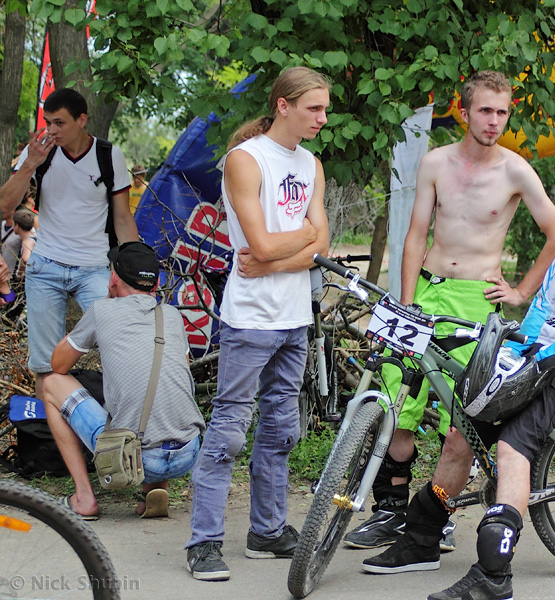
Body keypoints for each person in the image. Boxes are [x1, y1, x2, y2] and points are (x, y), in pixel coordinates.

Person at [362, 130, 555, 600]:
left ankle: (494, 576)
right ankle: (421, 540)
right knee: (463, 429)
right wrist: (519, 344)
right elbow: (545, 306)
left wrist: (539, 360)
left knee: (514, 447)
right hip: (542, 351)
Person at [343, 71, 555, 551]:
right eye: (485, 110)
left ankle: (437, 514)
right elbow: (416, 235)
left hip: (475, 300)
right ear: (464, 112)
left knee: (459, 420)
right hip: (424, 291)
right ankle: (392, 512)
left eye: (502, 112)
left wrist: (522, 290)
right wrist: (405, 300)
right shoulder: (435, 163)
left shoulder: (516, 170)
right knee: (397, 402)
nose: (494, 121)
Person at [185, 66, 331, 582]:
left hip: (295, 317)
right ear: (283, 105)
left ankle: (267, 532)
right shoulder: (245, 160)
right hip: (251, 319)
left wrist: (278, 257)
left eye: (326, 108)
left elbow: (320, 246)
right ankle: (203, 542)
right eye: (314, 107)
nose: (323, 117)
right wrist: (299, 241)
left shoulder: (310, 164)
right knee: (227, 431)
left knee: (281, 430)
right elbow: (270, 242)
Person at [41, 241, 204, 520]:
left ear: (114, 276)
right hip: (188, 452)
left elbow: (58, 364)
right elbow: (181, 379)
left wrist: (105, 304)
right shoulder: (172, 316)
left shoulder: (102, 311)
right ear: (154, 285)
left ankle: (84, 498)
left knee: (51, 384)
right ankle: (152, 492)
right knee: (157, 391)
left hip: (139, 459)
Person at [0, 88, 138, 410]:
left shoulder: (108, 155)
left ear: (82, 120)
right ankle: (50, 445)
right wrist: (30, 164)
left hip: (94, 268)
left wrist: (136, 270)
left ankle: (122, 425)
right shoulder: (41, 152)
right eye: (48, 122)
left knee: (120, 343)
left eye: (59, 123)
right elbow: (5, 207)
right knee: (45, 363)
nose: (51, 131)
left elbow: (122, 217)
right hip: (45, 266)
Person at [13, 207, 36, 280]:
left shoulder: (27, 241)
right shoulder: (33, 236)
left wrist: (20, 274)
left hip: (25, 279)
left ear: (17, 225)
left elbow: (25, 259)